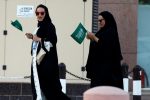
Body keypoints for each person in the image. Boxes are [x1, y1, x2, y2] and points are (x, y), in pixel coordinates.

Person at [25, 4, 71, 100]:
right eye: (37, 13)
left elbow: (51, 42)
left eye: (42, 13)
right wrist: (33, 40)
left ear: (46, 13)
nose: (39, 15)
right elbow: (36, 44)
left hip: (46, 66)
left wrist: (36, 38)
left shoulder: (50, 26)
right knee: (39, 90)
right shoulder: (38, 27)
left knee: (52, 91)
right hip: (37, 65)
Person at [85, 11, 123, 89]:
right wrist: (92, 39)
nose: (99, 23)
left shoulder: (111, 31)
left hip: (108, 73)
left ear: (107, 20)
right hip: (99, 71)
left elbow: (106, 47)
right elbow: (98, 46)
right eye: (98, 21)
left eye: (101, 20)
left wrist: (94, 37)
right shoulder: (101, 32)